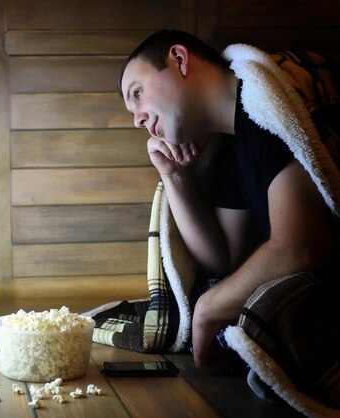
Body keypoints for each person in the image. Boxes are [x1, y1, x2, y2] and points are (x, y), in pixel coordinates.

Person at [118, 29, 340, 380]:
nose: (137, 120)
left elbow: (303, 245)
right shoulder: (233, 143)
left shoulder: (267, 107)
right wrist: (174, 175)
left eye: (138, 93)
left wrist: (207, 310)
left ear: (179, 59)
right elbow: (222, 257)